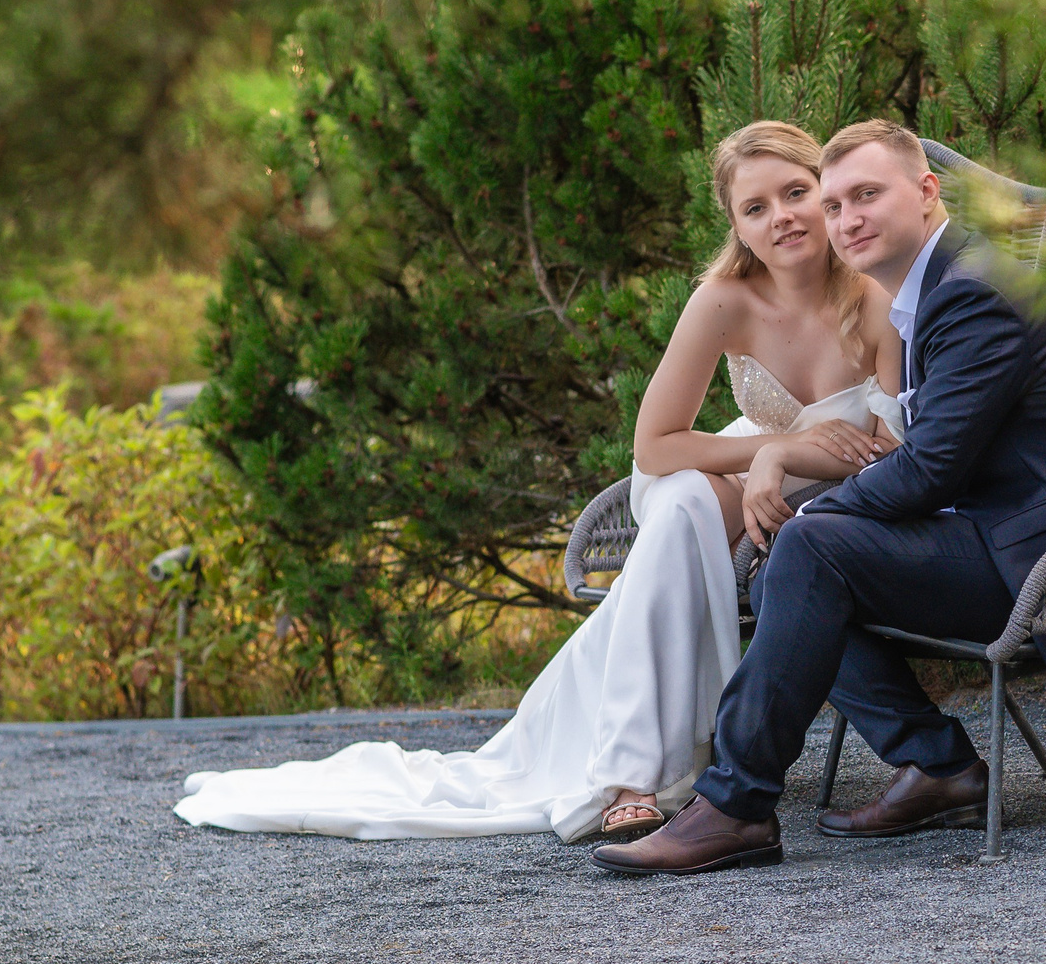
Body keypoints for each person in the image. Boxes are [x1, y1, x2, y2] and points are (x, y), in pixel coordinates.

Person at [173, 122, 904, 843]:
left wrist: (794, 457)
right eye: (755, 207)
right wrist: (776, 447)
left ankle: (654, 762)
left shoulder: (874, 296)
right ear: (737, 226)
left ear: (826, 193)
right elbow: (654, 446)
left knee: (684, 516)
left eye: (797, 192)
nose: (781, 216)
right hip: (729, 468)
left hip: (836, 494)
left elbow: (897, 447)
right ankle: (630, 776)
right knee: (678, 500)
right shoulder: (723, 300)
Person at [594, 118, 1046, 876]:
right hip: (1002, 528)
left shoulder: (973, 292)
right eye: (834, 205)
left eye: (866, 195)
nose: (846, 219)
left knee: (807, 547)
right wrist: (791, 482)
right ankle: (938, 767)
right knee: (789, 560)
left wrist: (810, 508)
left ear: (926, 193)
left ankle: (734, 805)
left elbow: (926, 472)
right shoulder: (926, 291)